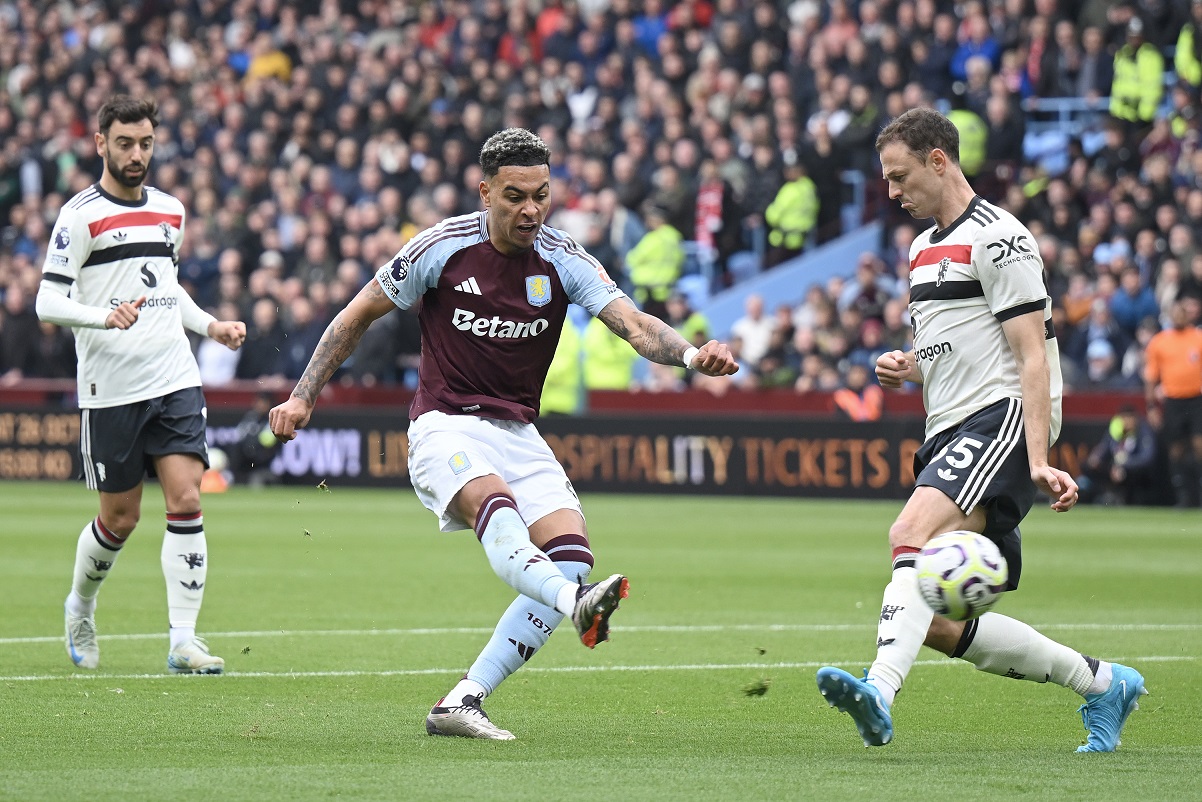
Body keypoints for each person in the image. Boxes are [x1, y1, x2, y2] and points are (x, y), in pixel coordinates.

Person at [268, 128, 738, 739]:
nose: (531, 211)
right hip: (443, 425)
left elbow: (633, 324)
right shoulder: (439, 249)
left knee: (570, 558)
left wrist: (691, 356)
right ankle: (578, 606)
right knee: (502, 513)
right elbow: (354, 317)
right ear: (485, 191)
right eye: (515, 196)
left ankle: (463, 700)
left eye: (542, 195)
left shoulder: (563, 256)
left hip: (519, 433)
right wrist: (304, 395)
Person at [815, 108, 1145, 753]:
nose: (892, 192)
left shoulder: (1001, 238)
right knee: (932, 620)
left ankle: (878, 691)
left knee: (908, 534)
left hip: (1001, 420)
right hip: (949, 427)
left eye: (900, 176)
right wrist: (912, 369)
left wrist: (1041, 455)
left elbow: (1029, 355)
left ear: (939, 159)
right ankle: (1104, 683)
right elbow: (961, 347)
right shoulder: (919, 249)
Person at [34, 95, 246, 674]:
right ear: (100, 143)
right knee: (120, 519)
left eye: (145, 143)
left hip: (175, 375)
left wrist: (211, 326)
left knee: (187, 498)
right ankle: (80, 604)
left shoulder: (171, 211)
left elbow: (165, 287)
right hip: (111, 388)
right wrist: (102, 315)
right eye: (124, 143)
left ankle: (183, 640)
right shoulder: (79, 216)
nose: (136, 154)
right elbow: (47, 300)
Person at [1143, 298, 1202, 508]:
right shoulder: (1159, 342)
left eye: (1182, 313)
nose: (1178, 317)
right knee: (1175, 450)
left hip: (1197, 400)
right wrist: (1151, 406)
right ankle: (1183, 497)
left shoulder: (1198, 338)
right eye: (1174, 313)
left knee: (1198, 445)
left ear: (1188, 315)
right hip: (1173, 401)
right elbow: (1151, 377)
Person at [1076, 405, 1159, 506]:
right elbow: (1104, 448)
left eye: (1129, 418)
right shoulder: (1115, 429)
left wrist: (1125, 465)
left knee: (1128, 473)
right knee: (1088, 466)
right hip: (1114, 468)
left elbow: (1146, 458)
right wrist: (1096, 458)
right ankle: (1098, 496)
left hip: (1135, 472)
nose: (1126, 422)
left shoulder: (1143, 431)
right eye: (1123, 418)